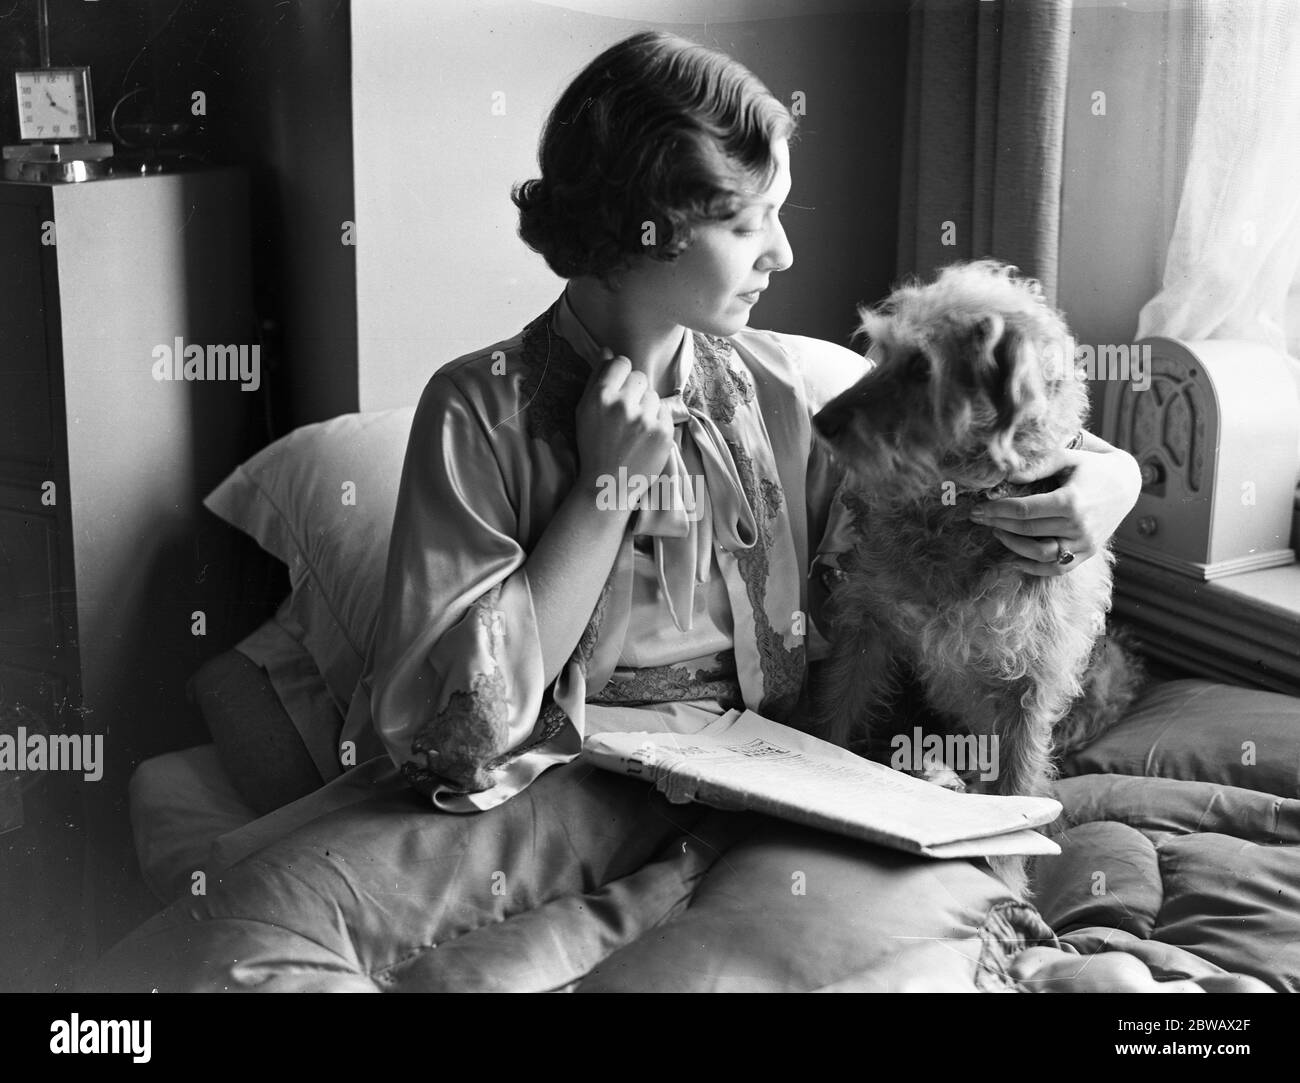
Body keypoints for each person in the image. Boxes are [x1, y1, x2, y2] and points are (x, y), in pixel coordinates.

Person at [344, 29, 1142, 814]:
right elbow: (451, 733)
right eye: (746, 222)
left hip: (778, 782)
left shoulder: (791, 383)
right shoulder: (475, 411)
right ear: (641, 225)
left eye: (781, 214)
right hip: (562, 789)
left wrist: (1115, 478)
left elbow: (1001, 428)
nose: (784, 253)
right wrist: (602, 491)